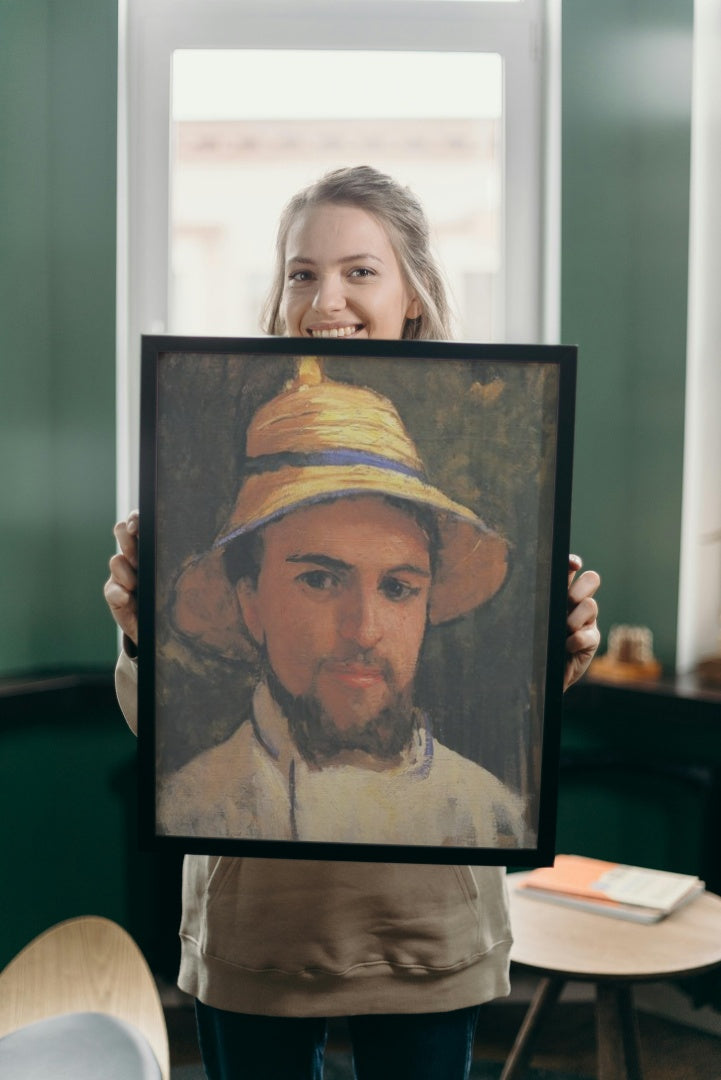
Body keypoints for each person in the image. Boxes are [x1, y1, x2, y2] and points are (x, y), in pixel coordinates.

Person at [105, 166, 600, 1080]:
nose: (325, 297)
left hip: (428, 933)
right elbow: (154, 729)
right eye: (301, 273)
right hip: (257, 934)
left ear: (412, 292)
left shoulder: (478, 806)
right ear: (246, 595)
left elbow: (530, 718)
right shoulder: (209, 791)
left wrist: (557, 648)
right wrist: (137, 638)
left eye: (359, 271)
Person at [156, 361, 530, 849]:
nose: (364, 629)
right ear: (251, 603)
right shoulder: (193, 806)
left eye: (397, 588)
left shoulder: (489, 813)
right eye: (320, 580)